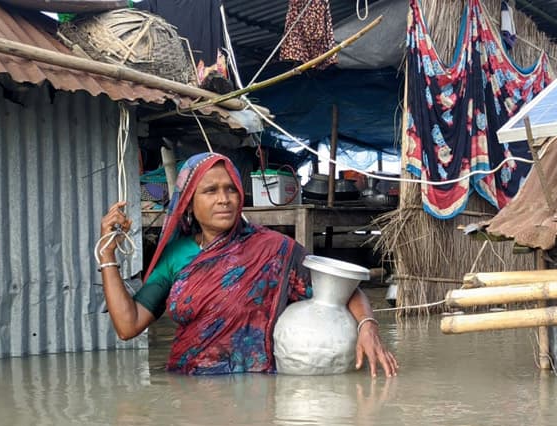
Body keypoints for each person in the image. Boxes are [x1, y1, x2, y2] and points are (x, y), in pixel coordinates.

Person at [98, 152, 398, 377]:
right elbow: (128, 325)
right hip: (188, 389)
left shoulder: (274, 249)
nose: (224, 199)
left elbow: (340, 290)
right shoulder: (176, 256)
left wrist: (367, 326)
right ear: (188, 201)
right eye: (211, 191)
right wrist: (107, 257)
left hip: (255, 393)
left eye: (231, 189)